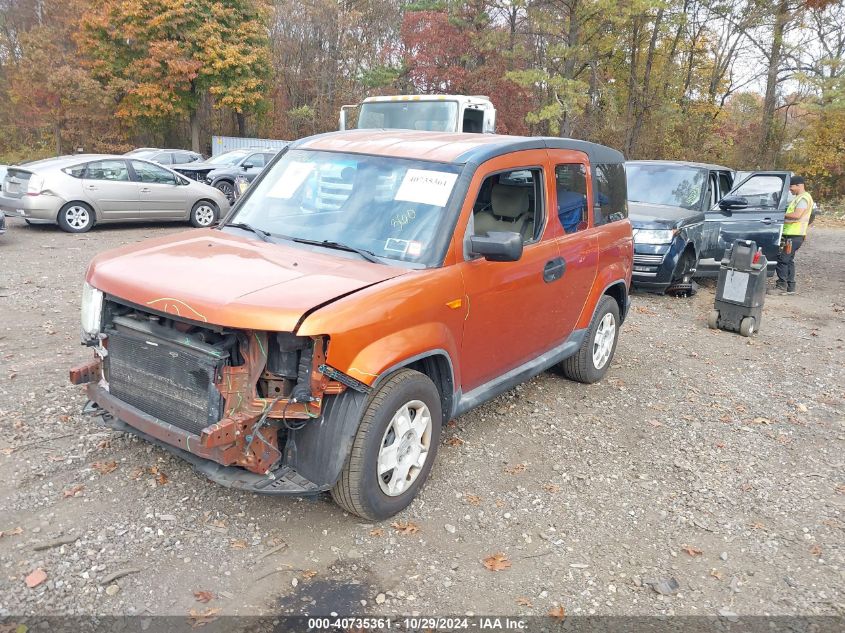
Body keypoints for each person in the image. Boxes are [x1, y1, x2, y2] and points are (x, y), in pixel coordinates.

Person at [775, 175, 813, 294]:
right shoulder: (799, 198)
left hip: (794, 235)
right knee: (789, 260)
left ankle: (781, 286)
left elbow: (797, 215)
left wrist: (780, 213)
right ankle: (790, 287)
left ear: (799, 185)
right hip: (794, 234)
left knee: (783, 260)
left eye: (791, 186)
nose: (790, 189)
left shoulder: (803, 199)